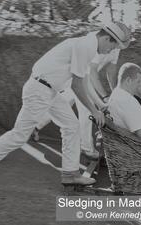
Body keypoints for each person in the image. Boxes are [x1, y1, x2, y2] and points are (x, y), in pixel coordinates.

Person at [0, 22, 133, 200]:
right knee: (18, 136)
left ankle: (70, 174)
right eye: (113, 45)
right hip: (40, 90)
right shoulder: (86, 46)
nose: (111, 50)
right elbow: (77, 85)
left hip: (50, 91)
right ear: (106, 38)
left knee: (71, 126)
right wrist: (94, 111)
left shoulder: (88, 45)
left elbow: (85, 82)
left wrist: (100, 106)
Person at [30, 31, 129, 160]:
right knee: (87, 110)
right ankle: (87, 149)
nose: (117, 49)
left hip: (82, 77)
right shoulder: (97, 45)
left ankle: (36, 126)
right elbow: (92, 73)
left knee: (64, 103)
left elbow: (111, 70)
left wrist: (114, 92)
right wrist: (103, 98)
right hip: (77, 77)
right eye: (118, 45)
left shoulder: (115, 47)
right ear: (112, 39)